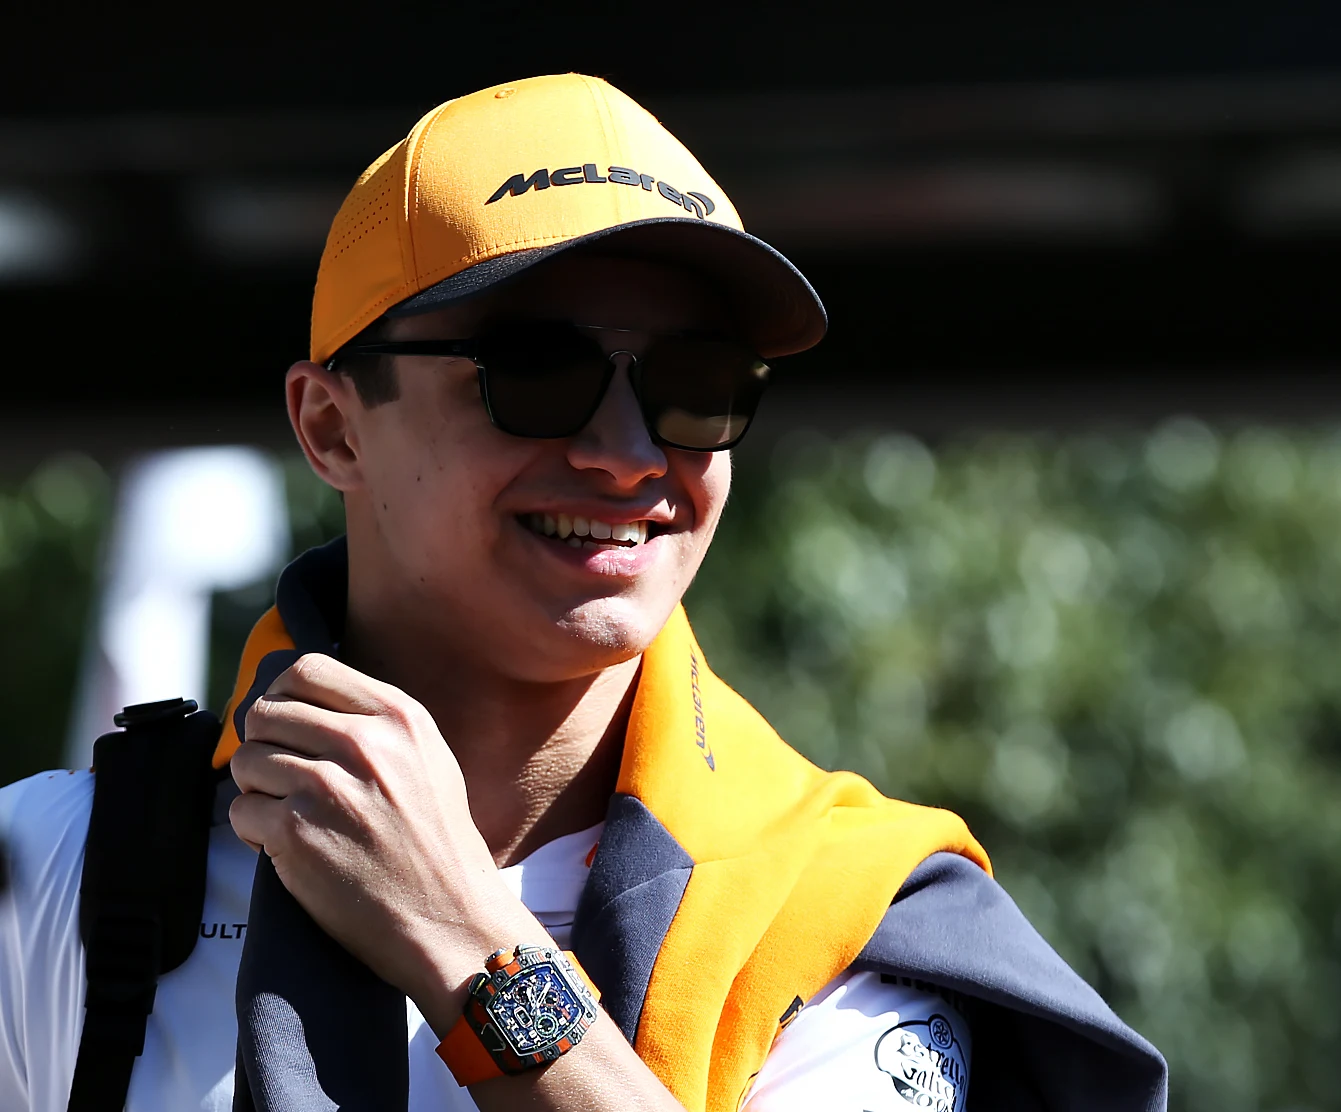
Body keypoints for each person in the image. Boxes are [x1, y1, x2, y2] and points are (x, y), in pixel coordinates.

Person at [0, 74, 1166, 1112]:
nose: (625, 450)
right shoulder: (73, 871)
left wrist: (472, 945)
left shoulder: (838, 922)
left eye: (696, 385)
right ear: (329, 423)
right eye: (534, 369)